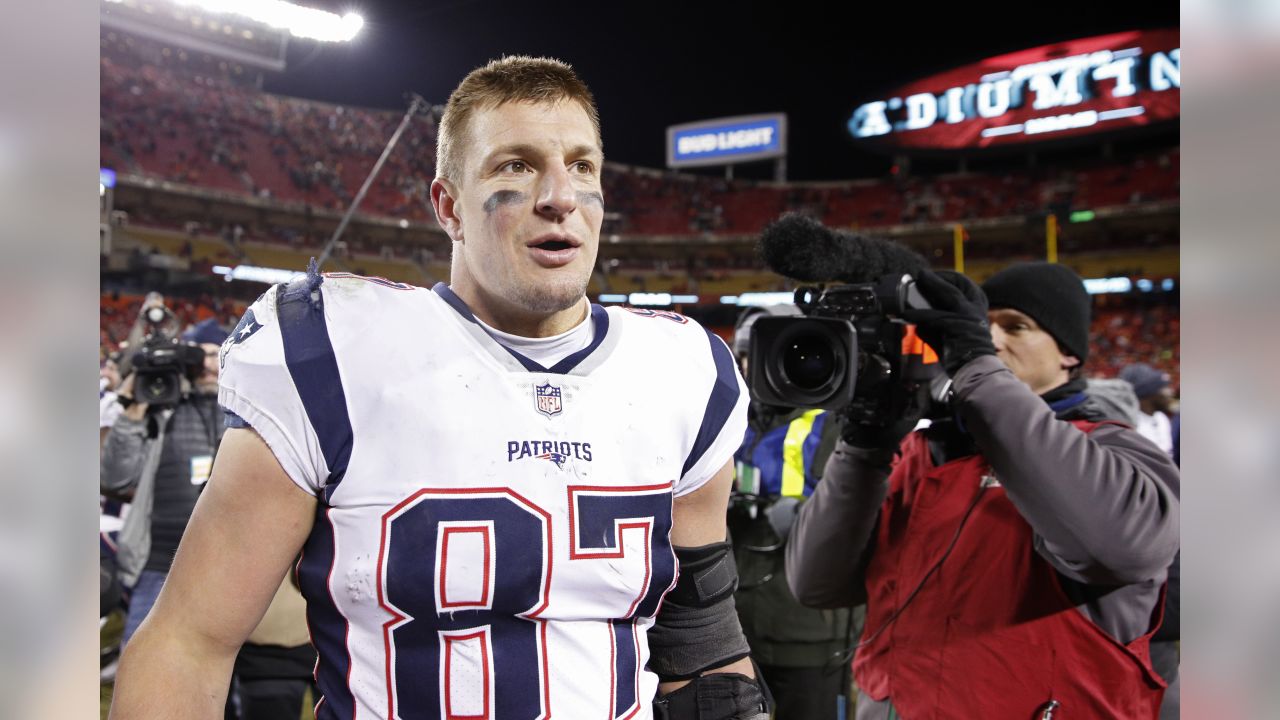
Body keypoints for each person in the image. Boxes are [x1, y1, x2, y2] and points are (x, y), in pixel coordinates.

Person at [111, 56, 768, 720]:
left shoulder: (681, 371)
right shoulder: (334, 352)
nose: (559, 196)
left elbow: (704, 652)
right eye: (515, 164)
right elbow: (189, 643)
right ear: (449, 207)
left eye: (582, 166)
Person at [787, 262, 1180, 718]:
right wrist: (863, 447)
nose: (992, 340)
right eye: (981, 328)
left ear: (1069, 354)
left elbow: (1124, 548)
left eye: (1016, 326)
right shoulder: (919, 453)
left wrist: (977, 367)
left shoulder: (1114, 447)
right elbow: (815, 583)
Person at [728, 305, 852, 719]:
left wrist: (814, 520)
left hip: (810, 632)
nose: (755, 367)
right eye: (747, 355)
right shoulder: (727, 421)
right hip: (735, 628)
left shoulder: (842, 421)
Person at [101, 316, 229, 649]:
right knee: (141, 672)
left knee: (219, 683)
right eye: (197, 354)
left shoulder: (244, 414)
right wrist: (134, 404)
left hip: (228, 567)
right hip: (159, 565)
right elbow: (114, 476)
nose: (205, 364)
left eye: (214, 354)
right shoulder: (161, 407)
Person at [1119, 362, 1177, 455]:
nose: (1170, 392)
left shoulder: (1161, 418)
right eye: (1164, 387)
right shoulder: (1128, 427)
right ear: (1148, 393)